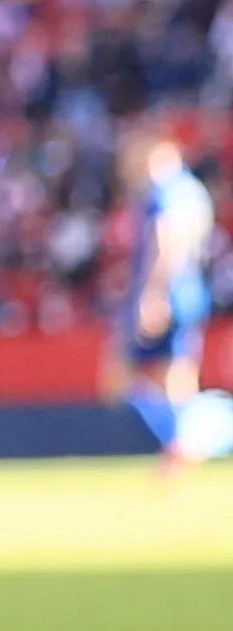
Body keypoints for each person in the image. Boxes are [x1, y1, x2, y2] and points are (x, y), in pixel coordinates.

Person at [129, 137, 212, 468]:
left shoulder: (168, 192)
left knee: (149, 373)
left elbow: (166, 241)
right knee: (179, 369)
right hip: (191, 288)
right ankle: (184, 442)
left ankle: (182, 444)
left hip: (172, 290)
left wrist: (154, 292)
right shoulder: (195, 192)